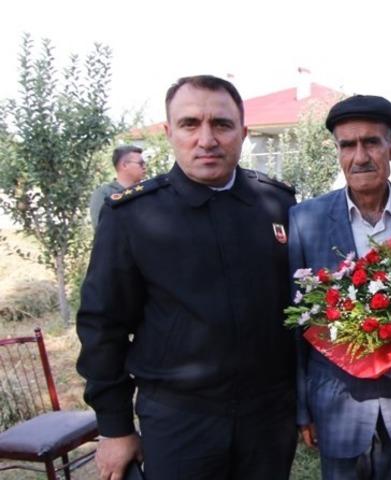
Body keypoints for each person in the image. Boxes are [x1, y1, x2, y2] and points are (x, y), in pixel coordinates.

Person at [76, 75, 299, 480]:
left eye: (222, 124)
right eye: (190, 124)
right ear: (169, 133)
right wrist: (114, 426)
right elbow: (102, 325)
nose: (207, 139)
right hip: (181, 420)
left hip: (268, 418)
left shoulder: (277, 204)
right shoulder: (133, 215)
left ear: (243, 133)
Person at [288, 94, 391, 480]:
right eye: (348, 145)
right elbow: (297, 322)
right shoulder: (305, 220)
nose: (360, 156)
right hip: (337, 405)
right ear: (337, 151)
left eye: (371, 142)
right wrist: (303, 407)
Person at [88, 145, 147, 229]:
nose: (144, 167)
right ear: (124, 165)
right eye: (140, 163)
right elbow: (101, 229)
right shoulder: (104, 193)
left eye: (144, 163)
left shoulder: (147, 191)